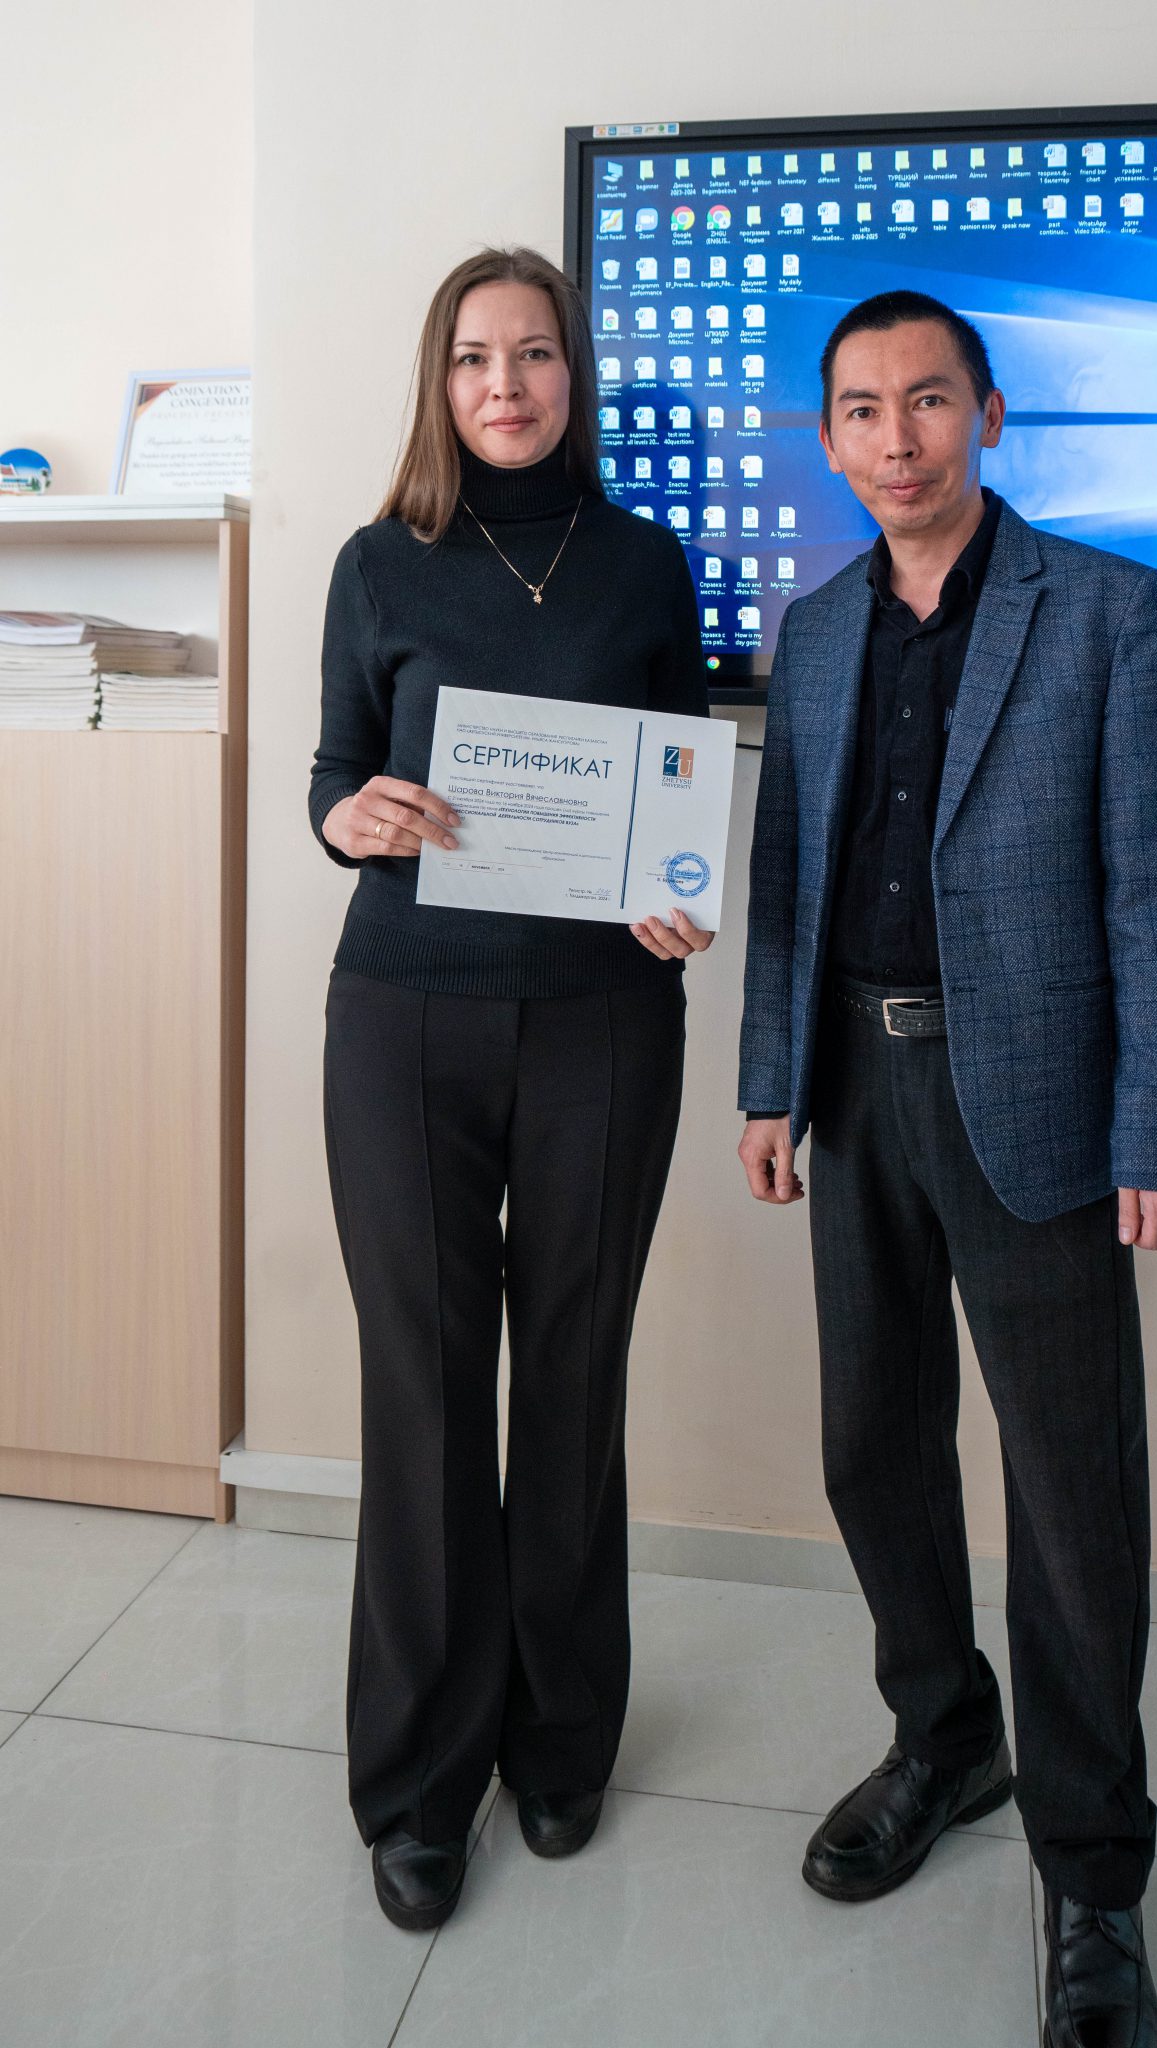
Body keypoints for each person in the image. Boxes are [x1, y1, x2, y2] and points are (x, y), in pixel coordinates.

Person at [737, 289, 1157, 2046]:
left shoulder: (1107, 610)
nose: (898, 438)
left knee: (1072, 1495)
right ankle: (946, 1738)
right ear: (828, 440)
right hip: (855, 1088)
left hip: (1039, 1102)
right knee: (871, 1443)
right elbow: (784, 890)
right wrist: (770, 1087)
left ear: (989, 414)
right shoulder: (815, 631)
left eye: (929, 401)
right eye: (863, 411)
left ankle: (1094, 1873)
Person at [310, 245, 712, 1933]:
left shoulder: (644, 563)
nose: (505, 385)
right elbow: (335, 773)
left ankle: (559, 1737)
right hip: (405, 1019)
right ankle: (419, 1780)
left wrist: (680, 890)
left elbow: (683, 784)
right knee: (421, 1392)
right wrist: (349, 820)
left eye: (535, 354)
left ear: (573, 375)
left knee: (569, 1374)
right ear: (440, 379)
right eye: (475, 357)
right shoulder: (376, 562)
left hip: (606, 1022)